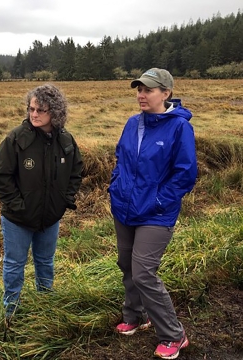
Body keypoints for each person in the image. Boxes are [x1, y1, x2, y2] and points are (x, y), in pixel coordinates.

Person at [108, 68, 197, 359]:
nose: (141, 95)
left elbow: (185, 174)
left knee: (144, 272)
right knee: (127, 265)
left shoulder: (179, 127)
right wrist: (116, 188)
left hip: (156, 215)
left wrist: (158, 201)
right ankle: (136, 315)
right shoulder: (133, 123)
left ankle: (174, 334)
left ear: (166, 93)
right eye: (139, 90)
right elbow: (121, 159)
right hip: (125, 209)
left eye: (148, 90)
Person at [0, 83, 83, 321]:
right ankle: (11, 314)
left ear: (55, 111)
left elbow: (76, 171)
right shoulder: (16, 138)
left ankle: (46, 307)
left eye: (41, 110)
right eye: (31, 109)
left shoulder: (66, 140)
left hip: (50, 218)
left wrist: (65, 200)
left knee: (45, 263)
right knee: (14, 265)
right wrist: (17, 206)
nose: (34, 114)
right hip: (17, 219)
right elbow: (0, 176)